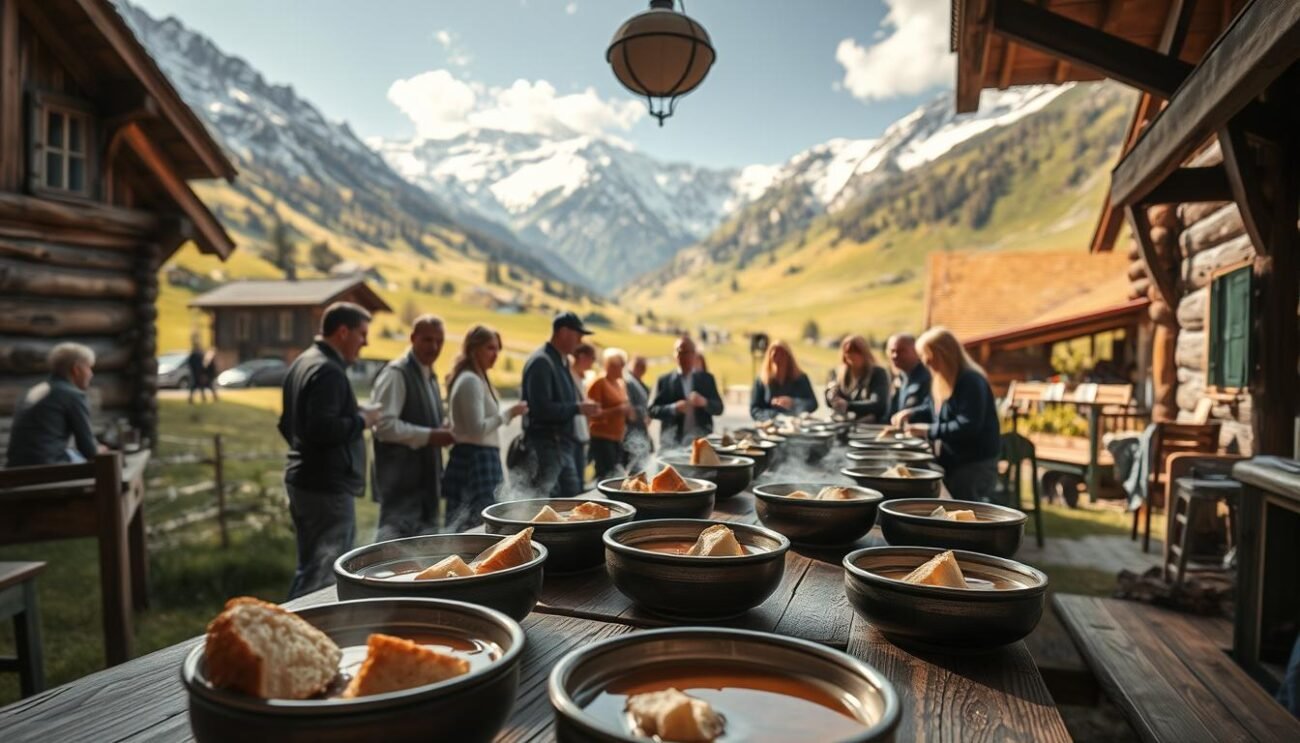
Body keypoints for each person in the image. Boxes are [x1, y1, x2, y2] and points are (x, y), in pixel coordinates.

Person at [278, 302, 381, 600]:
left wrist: (350, 411)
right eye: (362, 334)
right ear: (343, 331)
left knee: (310, 567)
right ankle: (294, 635)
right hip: (326, 489)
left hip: (305, 482)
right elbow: (321, 429)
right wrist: (364, 419)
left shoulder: (302, 362)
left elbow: (289, 424)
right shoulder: (328, 371)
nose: (366, 342)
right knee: (321, 576)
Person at [371, 315, 455, 540]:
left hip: (425, 486)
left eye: (439, 341)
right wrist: (430, 436)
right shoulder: (396, 374)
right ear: (412, 338)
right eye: (427, 340)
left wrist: (441, 428)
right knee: (395, 556)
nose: (434, 346)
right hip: (402, 488)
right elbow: (383, 426)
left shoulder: (431, 375)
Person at [898, 327, 1001, 502]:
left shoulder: (971, 381)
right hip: (955, 463)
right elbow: (931, 407)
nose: (925, 362)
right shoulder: (943, 379)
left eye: (927, 356)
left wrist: (927, 430)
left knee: (961, 512)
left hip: (974, 465)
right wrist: (911, 413)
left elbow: (967, 426)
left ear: (942, 354)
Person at [443, 325, 527, 530]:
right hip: (476, 458)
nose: (495, 354)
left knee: (476, 523)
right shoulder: (470, 380)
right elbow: (476, 429)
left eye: (497, 349)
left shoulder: (475, 378)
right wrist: (509, 414)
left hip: (479, 456)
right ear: (474, 349)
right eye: (490, 348)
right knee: (476, 525)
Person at [517, 311, 599, 498]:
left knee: (568, 503)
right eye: (578, 335)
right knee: (552, 505)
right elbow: (541, 409)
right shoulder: (542, 362)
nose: (580, 341)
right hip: (547, 448)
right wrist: (578, 408)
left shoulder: (558, 361)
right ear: (563, 332)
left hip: (559, 446)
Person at [5, 343, 103, 466]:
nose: (91, 374)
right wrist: (99, 449)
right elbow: (89, 451)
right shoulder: (73, 395)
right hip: (47, 469)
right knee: (107, 465)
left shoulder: (35, 390)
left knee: (73, 454)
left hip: (14, 468)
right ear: (76, 369)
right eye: (89, 368)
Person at [649, 336, 724, 449]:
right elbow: (652, 410)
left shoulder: (707, 379)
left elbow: (719, 408)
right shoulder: (664, 380)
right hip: (671, 445)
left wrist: (704, 402)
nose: (681, 356)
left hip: (701, 444)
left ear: (694, 354)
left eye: (686, 352)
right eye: (678, 352)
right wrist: (674, 408)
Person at [587, 348, 631, 482]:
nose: (622, 368)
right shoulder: (599, 383)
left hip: (617, 438)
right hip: (602, 437)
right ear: (609, 365)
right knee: (607, 475)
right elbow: (592, 413)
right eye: (619, 365)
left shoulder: (620, 383)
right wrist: (617, 411)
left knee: (615, 474)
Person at [825, 335, 891, 422]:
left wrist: (848, 406)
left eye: (857, 352)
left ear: (865, 353)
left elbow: (878, 404)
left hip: (869, 424)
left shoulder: (877, 373)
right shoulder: (837, 374)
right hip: (843, 422)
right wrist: (830, 396)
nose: (852, 355)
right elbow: (832, 402)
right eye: (848, 352)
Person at [750, 340, 818, 420]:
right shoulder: (761, 380)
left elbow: (813, 403)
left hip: (797, 423)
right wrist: (774, 416)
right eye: (775, 357)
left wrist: (793, 402)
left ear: (788, 359)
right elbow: (755, 409)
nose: (778, 362)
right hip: (770, 425)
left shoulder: (800, 378)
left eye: (781, 357)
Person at [887, 333, 933, 425]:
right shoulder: (899, 379)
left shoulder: (928, 377)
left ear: (916, 352)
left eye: (901, 351)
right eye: (892, 351)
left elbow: (931, 409)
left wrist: (912, 413)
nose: (895, 356)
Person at [570, 343, 597, 488]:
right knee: (573, 482)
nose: (593, 362)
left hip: (580, 435)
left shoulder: (580, 378)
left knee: (579, 479)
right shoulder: (569, 374)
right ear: (581, 356)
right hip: (572, 435)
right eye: (592, 358)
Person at [623, 355, 653, 471]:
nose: (641, 369)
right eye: (638, 366)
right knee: (633, 466)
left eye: (643, 366)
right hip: (632, 431)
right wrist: (644, 415)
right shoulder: (628, 382)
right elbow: (629, 407)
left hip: (642, 430)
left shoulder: (639, 383)